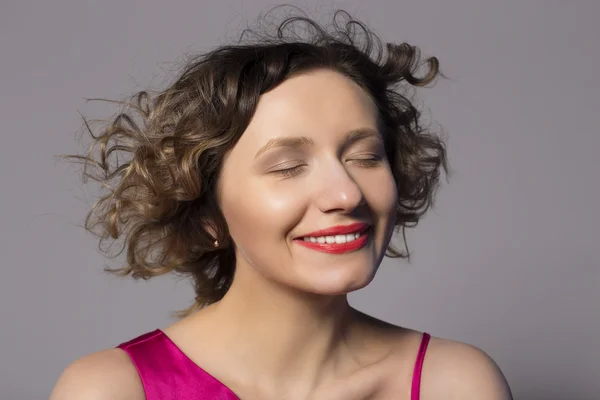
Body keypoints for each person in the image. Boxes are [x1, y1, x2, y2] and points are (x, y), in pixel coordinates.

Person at [50, 7, 513, 400]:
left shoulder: (453, 384)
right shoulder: (112, 390)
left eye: (365, 157)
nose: (347, 194)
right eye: (288, 166)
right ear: (207, 211)